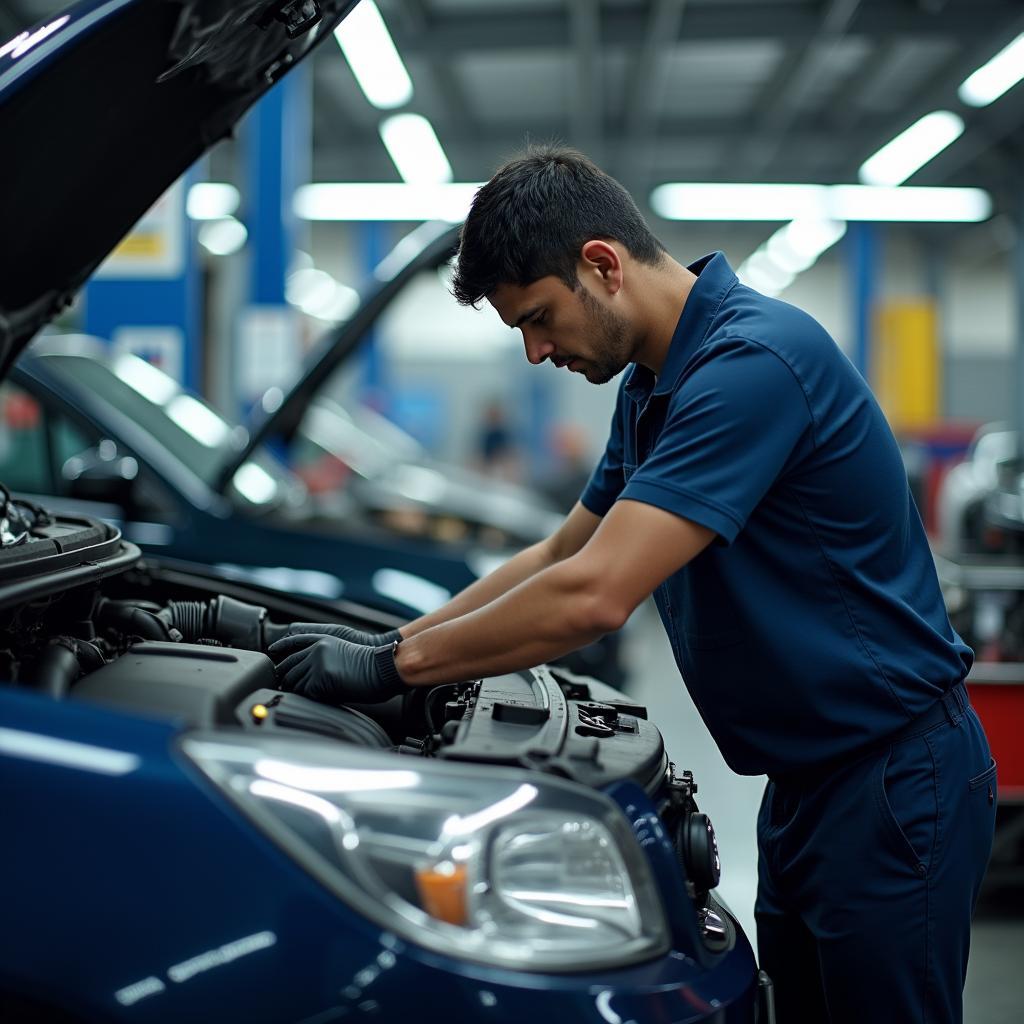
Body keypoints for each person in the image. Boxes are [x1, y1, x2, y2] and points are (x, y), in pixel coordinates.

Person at [269, 146, 996, 1023]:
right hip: (809, 787)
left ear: (602, 265)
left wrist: (396, 671)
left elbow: (593, 598)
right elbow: (559, 557)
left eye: (538, 318)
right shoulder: (655, 384)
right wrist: (386, 645)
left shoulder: (752, 366)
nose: (536, 352)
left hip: (890, 780)